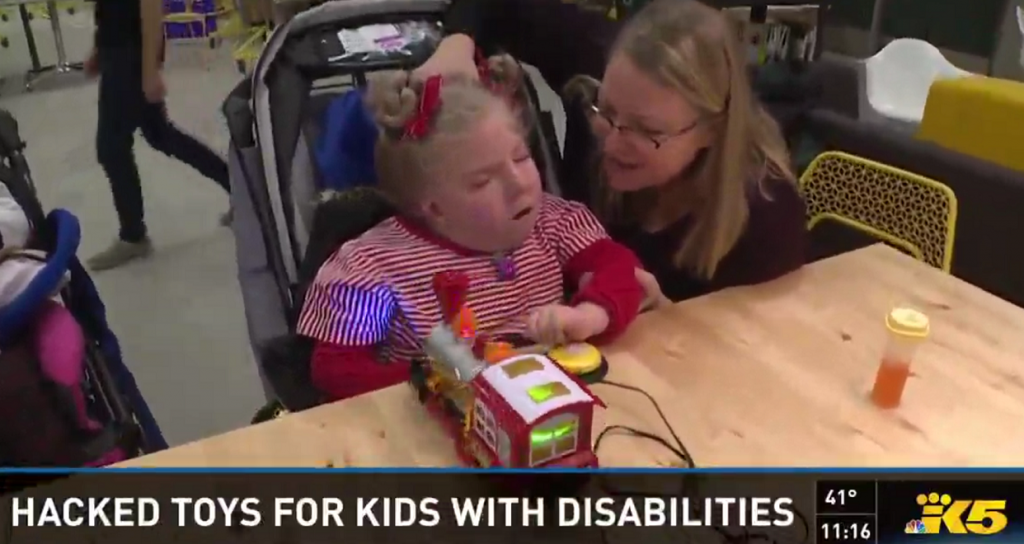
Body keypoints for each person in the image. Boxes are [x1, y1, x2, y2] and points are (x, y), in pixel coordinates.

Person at [295, 56, 645, 401]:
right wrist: (440, 374)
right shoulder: (372, 268)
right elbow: (335, 371)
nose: (518, 182)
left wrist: (589, 315)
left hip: (546, 399)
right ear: (434, 207)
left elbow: (617, 268)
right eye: (483, 181)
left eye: (521, 157)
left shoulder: (553, 223)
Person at [416, 0, 810, 303]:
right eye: (604, 109)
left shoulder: (764, 221)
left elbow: (752, 363)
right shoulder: (598, 58)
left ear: (712, 130)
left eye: (647, 130)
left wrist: (669, 322)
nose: (612, 142)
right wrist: (456, 46)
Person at [83, 0, 232, 271]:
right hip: (117, 53)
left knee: (111, 147)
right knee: (161, 135)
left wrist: (150, 70)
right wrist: (100, 49)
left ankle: (133, 236)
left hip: (130, 58)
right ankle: (238, 185)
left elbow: (151, 11)